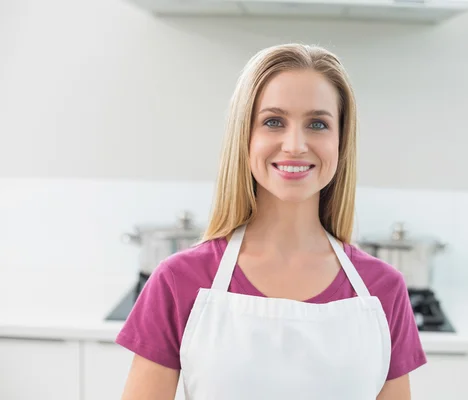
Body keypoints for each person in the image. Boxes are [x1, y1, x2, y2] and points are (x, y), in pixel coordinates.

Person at [116, 43, 427, 400]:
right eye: (273, 122)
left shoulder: (382, 290)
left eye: (318, 124)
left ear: (341, 142)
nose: (295, 144)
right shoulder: (178, 281)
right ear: (244, 136)